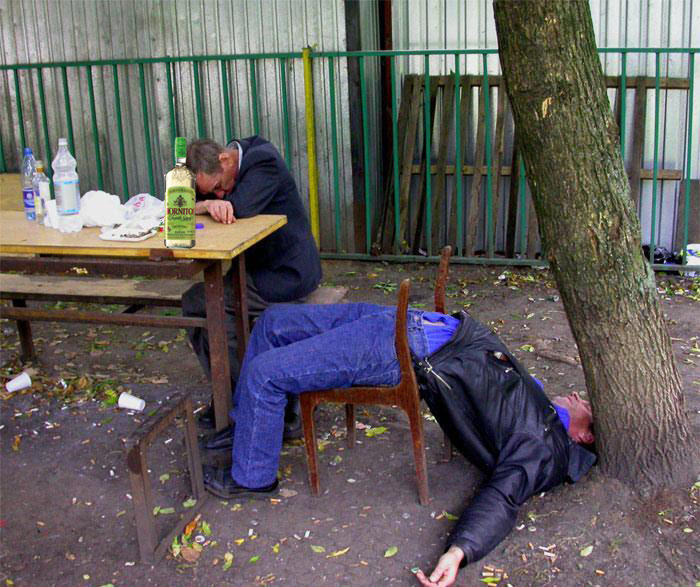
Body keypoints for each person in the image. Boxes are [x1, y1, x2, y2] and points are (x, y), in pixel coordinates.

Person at [201, 302, 597, 585]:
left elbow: (503, 497)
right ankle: (257, 427)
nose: (579, 397)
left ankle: (253, 476)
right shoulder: (545, 411)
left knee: (265, 374)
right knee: (272, 322)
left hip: (401, 350)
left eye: (587, 408)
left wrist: (458, 551)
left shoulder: (543, 450)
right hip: (407, 321)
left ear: (584, 435)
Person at [183, 136, 321, 435]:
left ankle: (253, 399)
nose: (220, 194)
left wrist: (210, 203)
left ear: (225, 160)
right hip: (255, 268)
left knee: (204, 304)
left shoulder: (263, 161)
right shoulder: (227, 163)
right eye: (212, 191)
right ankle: (234, 394)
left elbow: (238, 207)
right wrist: (205, 200)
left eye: (219, 186)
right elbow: (181, 203)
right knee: (200, 301)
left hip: (285, 274)